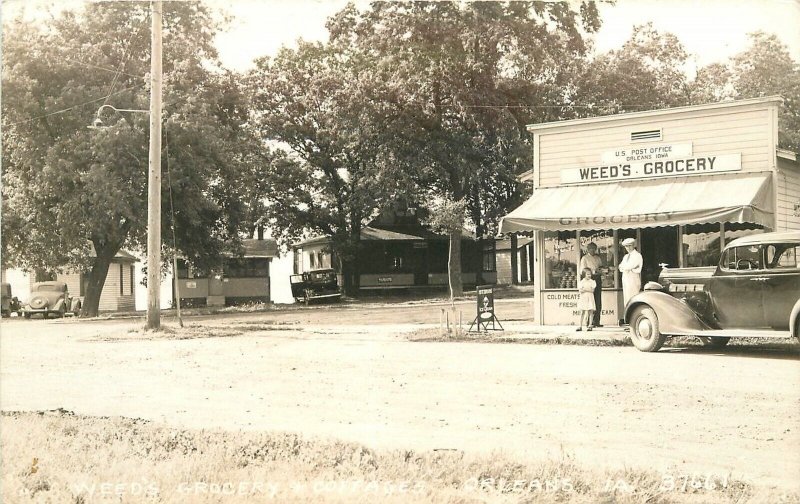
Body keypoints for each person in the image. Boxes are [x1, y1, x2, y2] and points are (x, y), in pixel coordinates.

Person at [579, 242, 603, 327]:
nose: (592, 250)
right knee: (589, 301)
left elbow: (601, 267)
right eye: (591, 248)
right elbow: (582, 271)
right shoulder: (584, 258)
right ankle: (588, 322)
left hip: (597, 279)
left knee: (598, 300)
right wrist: (592, 272)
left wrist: (602, 270)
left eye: (594, 248)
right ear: (588, 249)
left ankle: (597, 321)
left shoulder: (597, 258)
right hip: (588, 279)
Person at [619, 237, 643, 306]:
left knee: (633, 297)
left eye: (630, 245)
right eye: (626, 246)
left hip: (633, 279)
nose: (628, 248)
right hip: (626, 278)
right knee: (626, 299)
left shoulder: (637, 255)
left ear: (633, 245)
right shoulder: (626, 256)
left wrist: (626, 267)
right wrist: (626, 267)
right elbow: (620, 267)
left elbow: (630, 266)